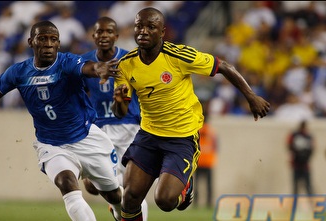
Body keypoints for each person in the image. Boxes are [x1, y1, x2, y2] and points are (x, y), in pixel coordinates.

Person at [0, 20, 123, 221]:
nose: (48, 44)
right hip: (52, 145)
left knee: (114, 195)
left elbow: (88, 67)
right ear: (31, 42)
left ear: (58, 43)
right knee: (66, 183)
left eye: (53, 39)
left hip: (87, 138)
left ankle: (118, 212)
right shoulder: (19, 72)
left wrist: (100, 69)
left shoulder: (66, 63)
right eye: (42, 38)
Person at [109, 7, 270, 220]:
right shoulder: (126, 65)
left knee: (165, 201)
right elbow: (120, 112)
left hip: (181, 138)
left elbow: (224, 66)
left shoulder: (178, 56)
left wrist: (251, 97)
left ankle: (184, 190)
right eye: (139, 26)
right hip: (148, 135)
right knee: (129, 198)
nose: (143, 31)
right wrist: (119, 102)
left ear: (162, 32)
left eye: (151, 27)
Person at [80, 16, 148, 220]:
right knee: (91, 186)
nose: (104, 35)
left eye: (108, 31)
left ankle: (125, 207)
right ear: (93, 36)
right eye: (99, 32)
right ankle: (118, 205)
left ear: (116, 36)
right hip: (99, 128)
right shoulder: (85, 63)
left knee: (131, 188)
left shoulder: (129, 60)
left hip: (128, 127)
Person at [194, 117, 217, 208]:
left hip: (198, 161)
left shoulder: (197, 131)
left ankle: (196, 202)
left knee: (196, 184)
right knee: (209, 184)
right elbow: (216, 147)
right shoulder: (212, 132)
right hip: (208, 162)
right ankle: (209, 202)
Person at [287, 120, 314, 195]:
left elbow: (312, 148)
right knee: (295, 187)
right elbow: (289, 146)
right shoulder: (294, 135)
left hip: (305, 165)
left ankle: (312, 205)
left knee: (308, 187)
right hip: (296, 164)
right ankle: (294, 204)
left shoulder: (308, 136)